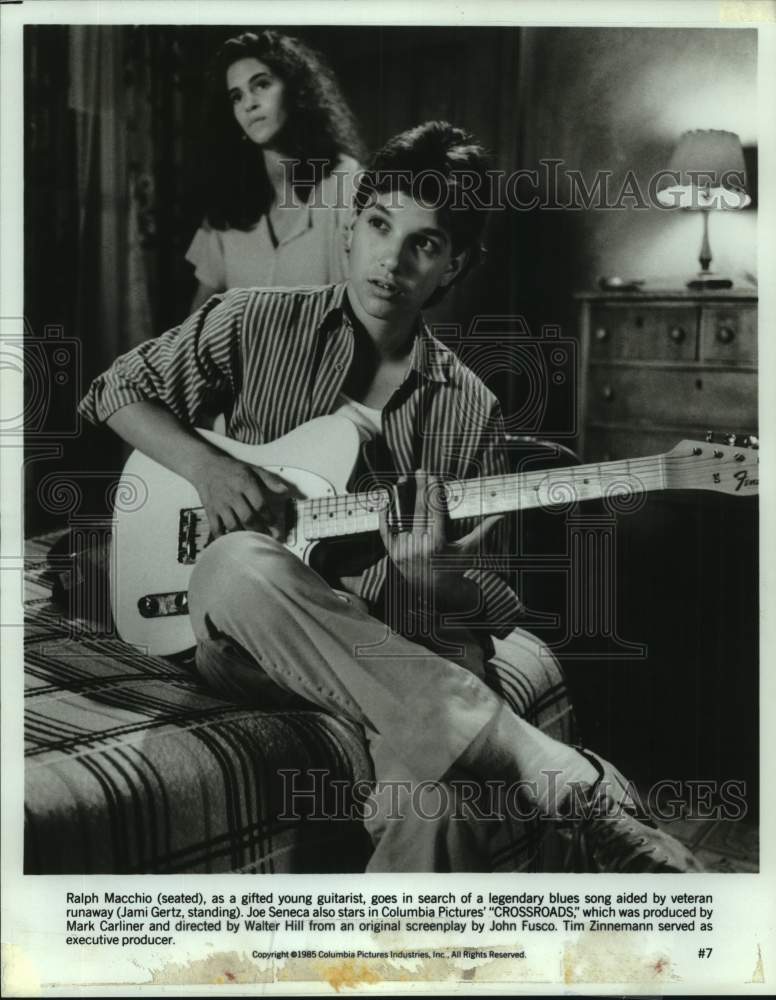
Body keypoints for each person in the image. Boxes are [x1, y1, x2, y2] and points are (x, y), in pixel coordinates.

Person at [79, 121, 701, 874]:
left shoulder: (471, 409)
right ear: (352, 229)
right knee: (241, 561)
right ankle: (556, 773)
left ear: (453, 267)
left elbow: (482, 608)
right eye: (379, 225)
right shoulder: (254, 320)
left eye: (425, 244)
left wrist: (428, 576)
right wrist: (209, 470)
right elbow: (113, 392)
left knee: (446, 806)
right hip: (239, 625)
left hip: (392, 647)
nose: (392, 259)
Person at [186, 30, 364, 312]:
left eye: (261, 85)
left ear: (295, 90)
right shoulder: (230, 200)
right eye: (236, 96)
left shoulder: (347, 183)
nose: (249, 104)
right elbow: (195, 326)